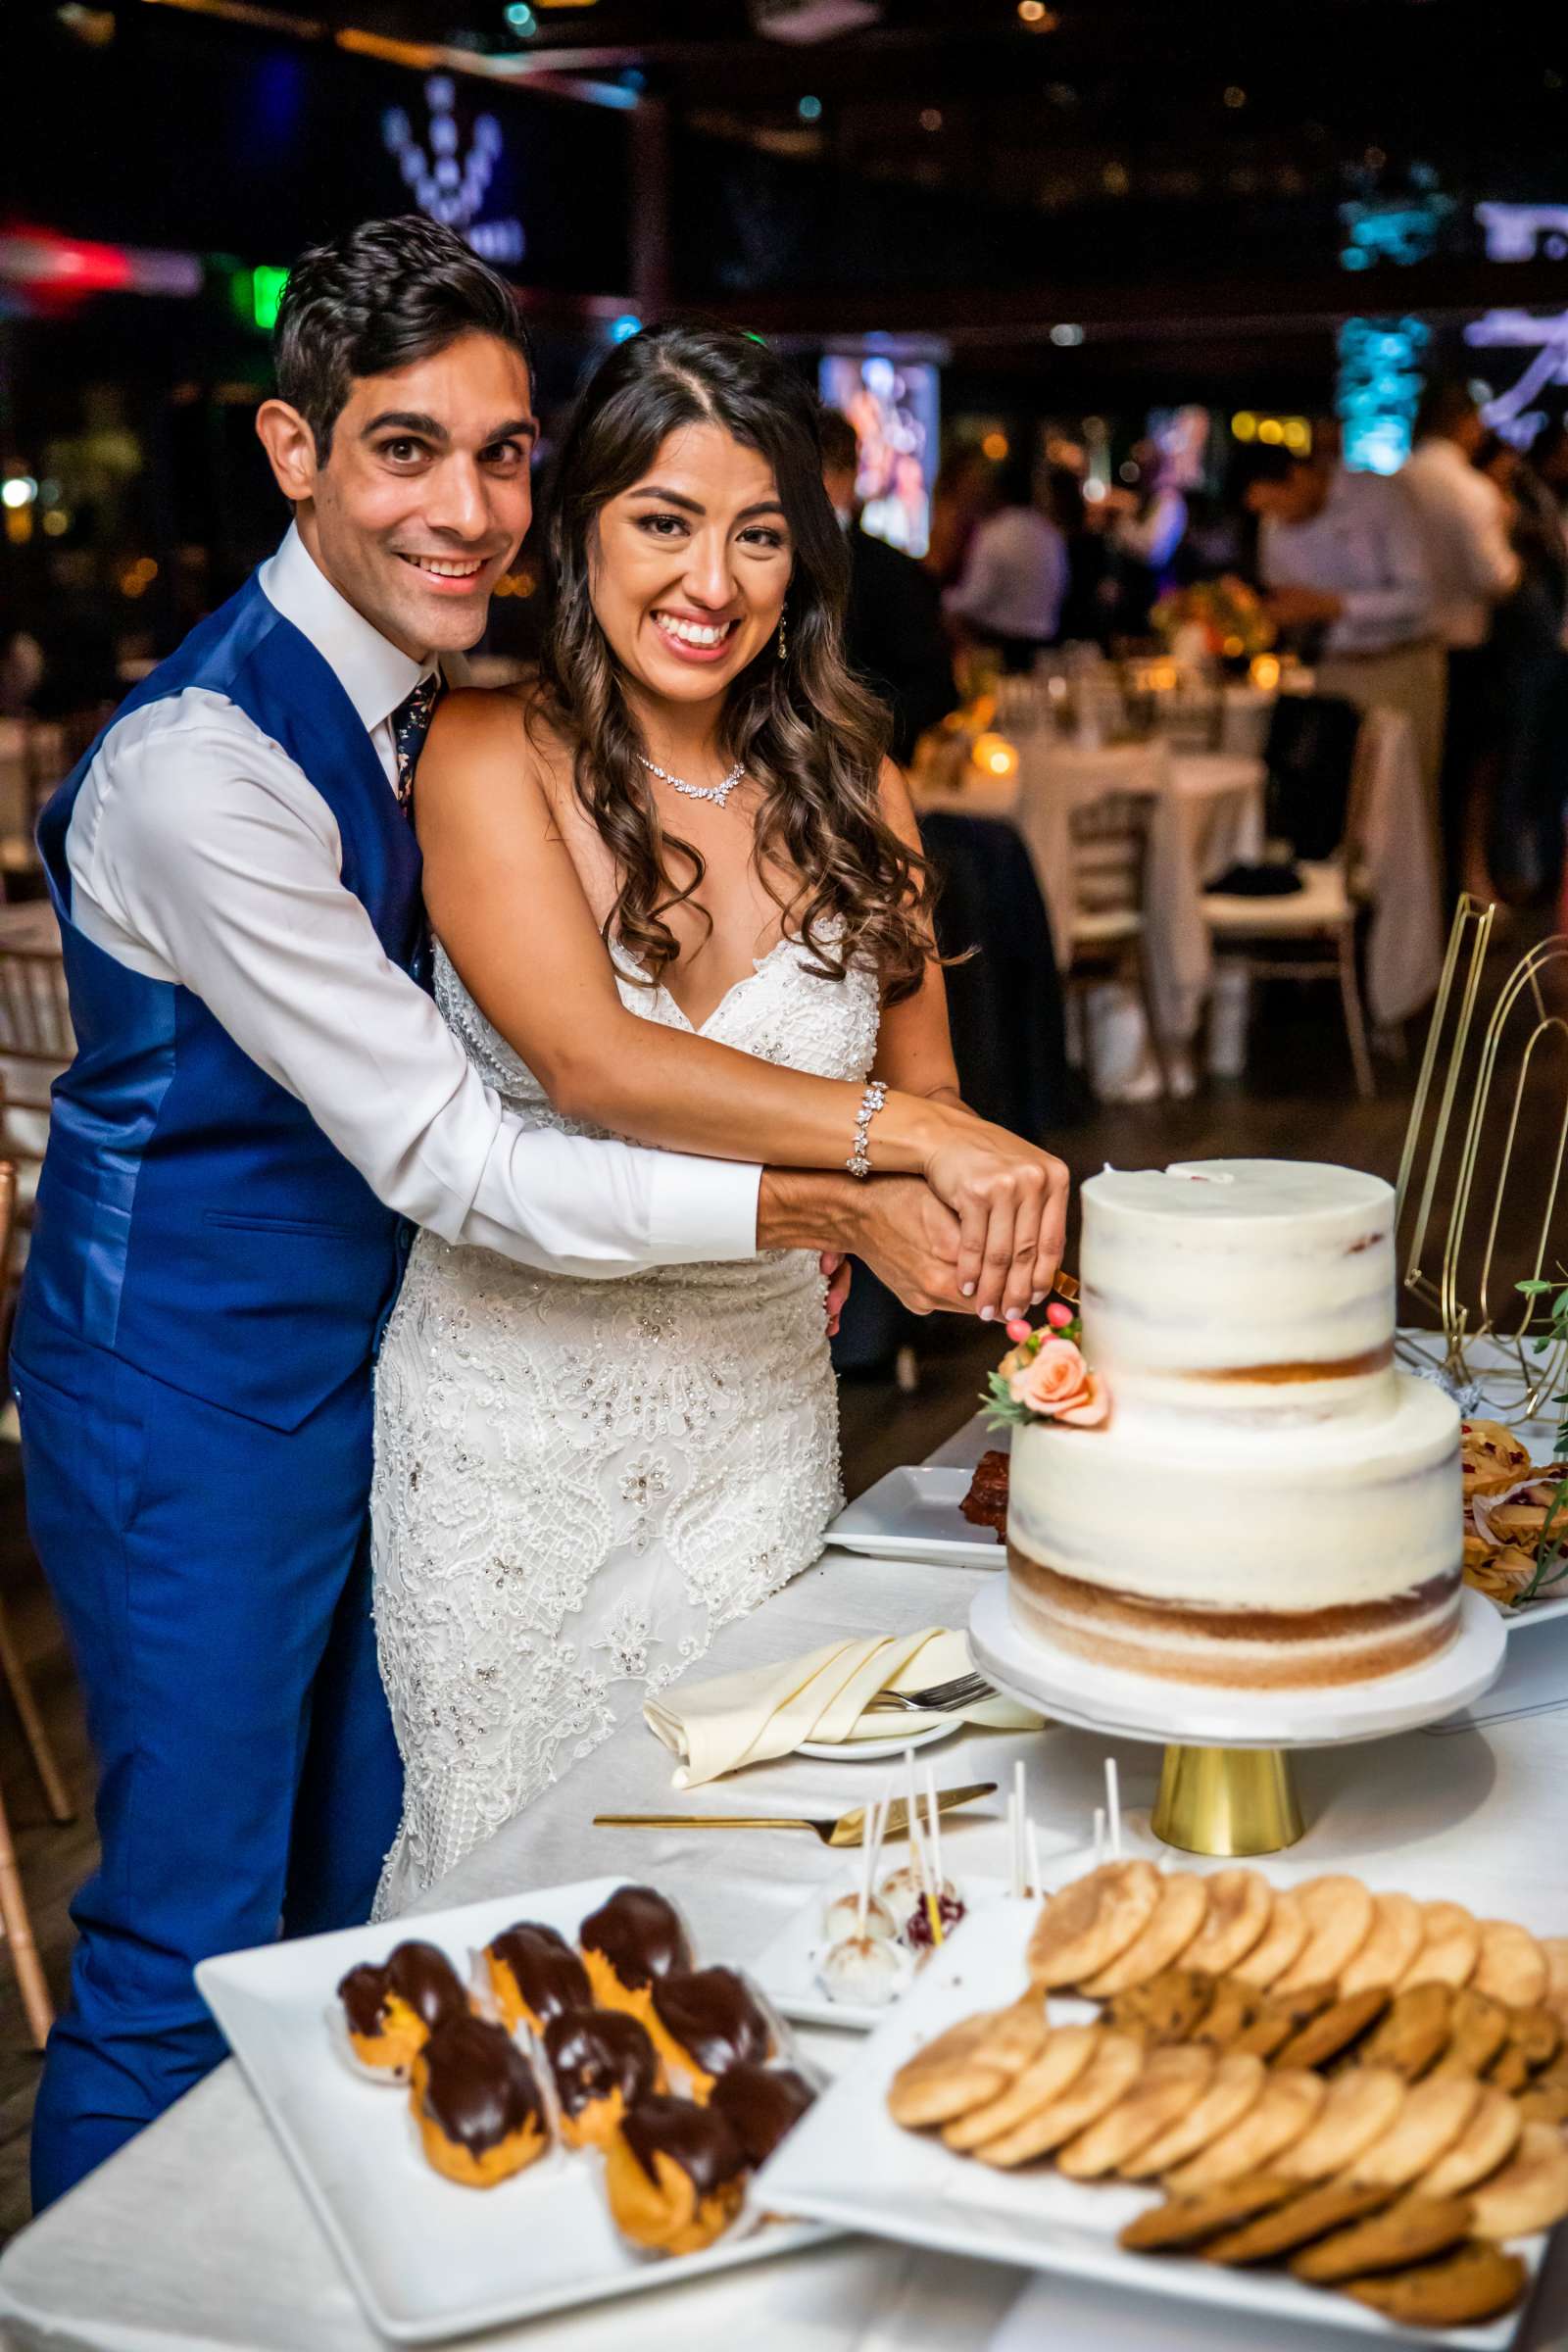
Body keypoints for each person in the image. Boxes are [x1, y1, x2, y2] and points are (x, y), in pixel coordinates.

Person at [15, 219, 1066, 2205]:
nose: (466, 506)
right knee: (190, 1930)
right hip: (202, 1386)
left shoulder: (445, 700)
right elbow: (475, 1148)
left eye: (500, 454)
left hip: (439, 1362)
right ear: (292, 450)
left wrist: (893, 1171)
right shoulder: (203, 764)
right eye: (407, 450)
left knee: (355, 1897)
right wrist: (865, 1173)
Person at [370, 325, 1067, 1906]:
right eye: (664, 522)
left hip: (751, 1420)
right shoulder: (485, 755)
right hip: (508, 1435)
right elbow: (592, 1063)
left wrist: (960, 1241)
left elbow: (924, 1091)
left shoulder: (855, 783)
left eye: (759, 533)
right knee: (506, 1880)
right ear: (578, 531)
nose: (714, 580)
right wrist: (900, 1150)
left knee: (739, 1867)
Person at [1244, 440, 1443, 825]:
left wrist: (1334, 606)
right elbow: (1286, 602)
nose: (1274, 516)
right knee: (1337, 799)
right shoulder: (1273, 529)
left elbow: (1421, 598)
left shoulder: (1379, 496)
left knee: (1406, 806)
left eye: (1274, 502)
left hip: (1402, 665)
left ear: (1298, 476)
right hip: (1333, 671)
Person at [1400, 383, 1521, 898]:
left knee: (1416, 782)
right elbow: (1495, 577)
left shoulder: (1398, 482)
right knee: (1464, 784)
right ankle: (1461, 891)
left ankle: (1424, 897)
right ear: (1465, 424)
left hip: (1408, 650)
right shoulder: (1471, 490)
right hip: (1465, 652)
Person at [819, 405, 956, 763]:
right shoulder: (755, 564)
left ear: (841, 478)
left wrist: (853, 738)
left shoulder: (890, 572)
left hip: (859, 774)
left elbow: (935, 687)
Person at [942, 447, 1067, 672]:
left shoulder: (993, 533)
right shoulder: (1047, 531)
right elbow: (1062, 584)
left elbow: (976, 598)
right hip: (1048, 645)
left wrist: (940, 601)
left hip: (1004, 649)